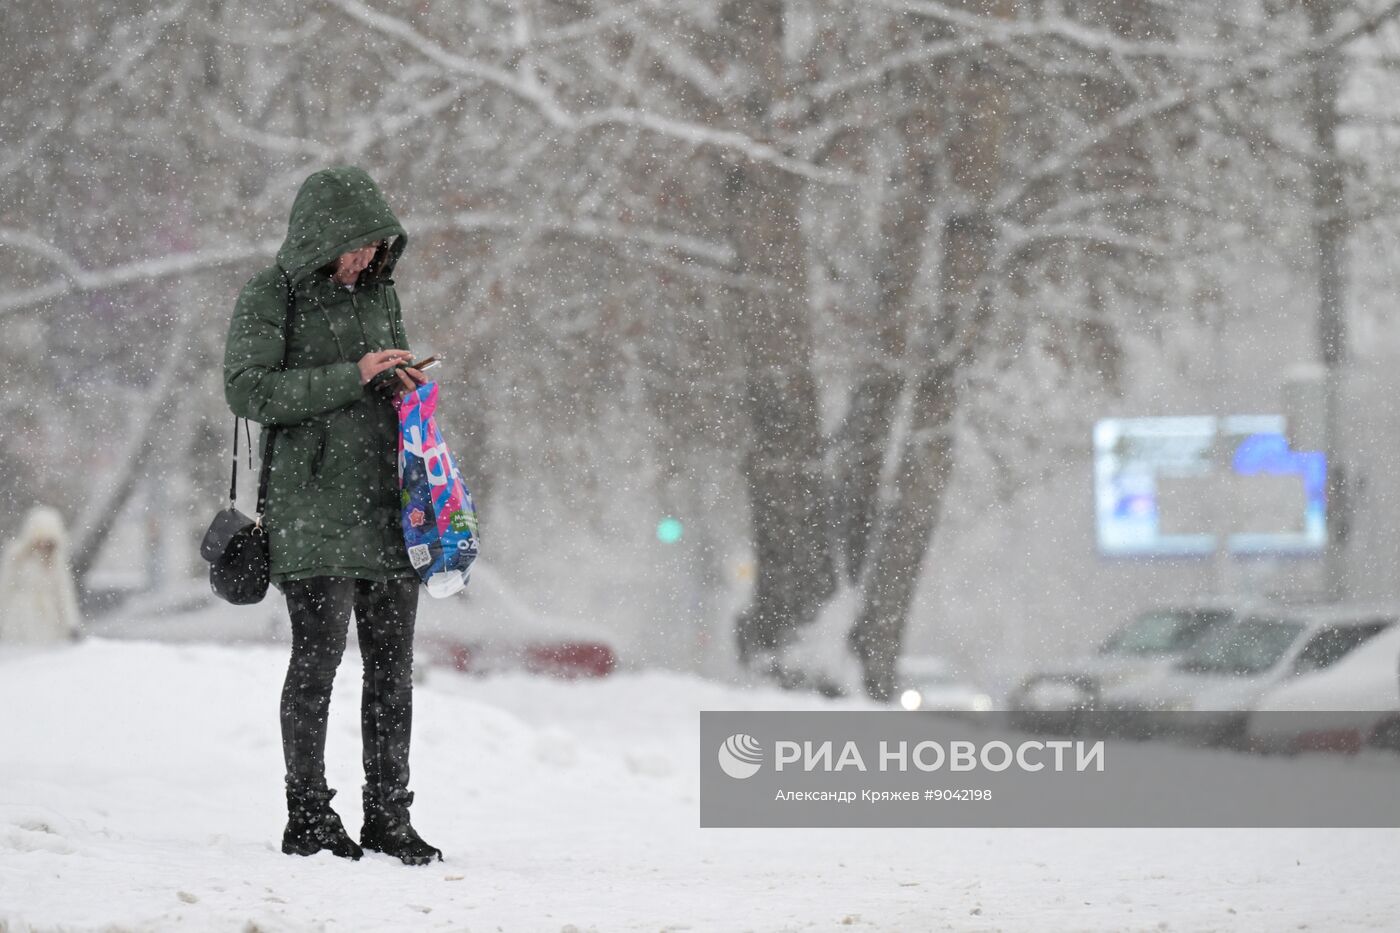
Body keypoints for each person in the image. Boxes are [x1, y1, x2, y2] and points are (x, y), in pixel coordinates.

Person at [223, 166, 441, 864]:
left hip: (385, 505)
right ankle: (310, 815)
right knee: (316, 665)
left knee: (393, 672)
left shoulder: (382, 293)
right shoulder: (271, 293)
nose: (366, 258)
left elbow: (376, 372)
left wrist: (400, 378)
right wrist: (353, 374)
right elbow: (248, 389)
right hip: (312, 506)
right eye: (355, 245)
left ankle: (389, 816)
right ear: (322, 236)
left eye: (377, 246)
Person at [0, 506, 82, 644]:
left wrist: (71, 623)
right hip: (19, 616)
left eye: (48, 540)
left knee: (44, 659)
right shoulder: (17, 557)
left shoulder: (57, 562)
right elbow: (5, 587)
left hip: (48, 619)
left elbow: (64, 592)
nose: (43, 544)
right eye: (40, 538)